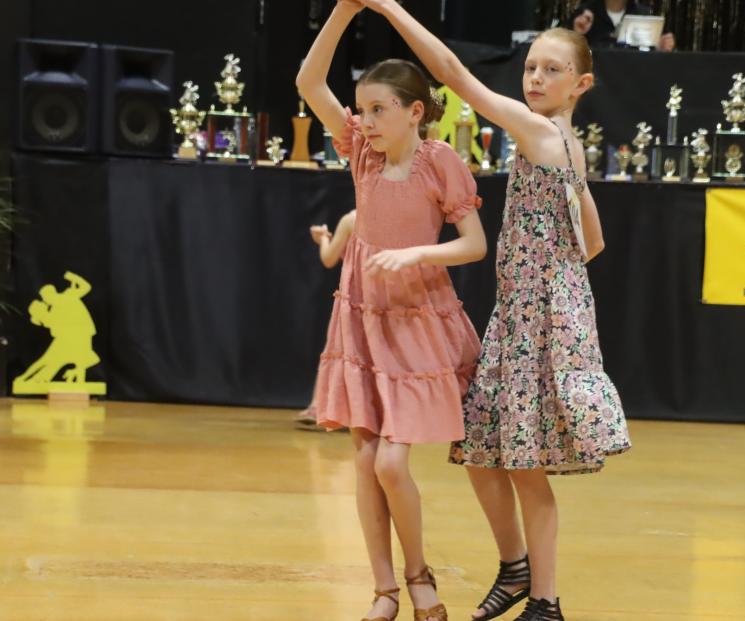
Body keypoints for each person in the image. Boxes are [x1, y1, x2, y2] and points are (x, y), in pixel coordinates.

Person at [358, 2, 632, 620]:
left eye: (551, 70)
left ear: (580, 85)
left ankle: (546, 600)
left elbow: (454, 72)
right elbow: (593, 241)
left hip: (539, 321)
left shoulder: (540, 132)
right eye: (531, 67)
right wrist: (546, 277)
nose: (534, 79)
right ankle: (514, 568)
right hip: (520, 313)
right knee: (482, 446)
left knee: (526, 464)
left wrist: (390, 8)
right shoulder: (565, 143)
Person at [295, 1, 488, 619]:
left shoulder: (441, 162)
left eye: (380, 109)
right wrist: (344, 10)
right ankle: (384, 591)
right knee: (364, 457)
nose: (367, 120)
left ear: (415, 111)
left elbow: (475, 243)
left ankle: (418, 573)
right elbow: (307, 82)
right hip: (363, 317)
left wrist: (415, 257)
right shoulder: (361, 153)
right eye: (363, 108)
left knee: (391, 460)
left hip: (418, 319)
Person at [295, 210, 357, 429]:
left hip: (357, 299)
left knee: (341, 351)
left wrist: (322, 240)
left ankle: (321, 407)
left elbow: (329, 258)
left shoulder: (352, 219)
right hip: (390, 298)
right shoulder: (397, 217)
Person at [571, 0, 675, 51]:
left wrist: (660, 47)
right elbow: (571, 52)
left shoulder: (643, 14)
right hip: (595, 80)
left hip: (632, 80)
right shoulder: (584, 13)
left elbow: (649, 55)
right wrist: (577, 34)